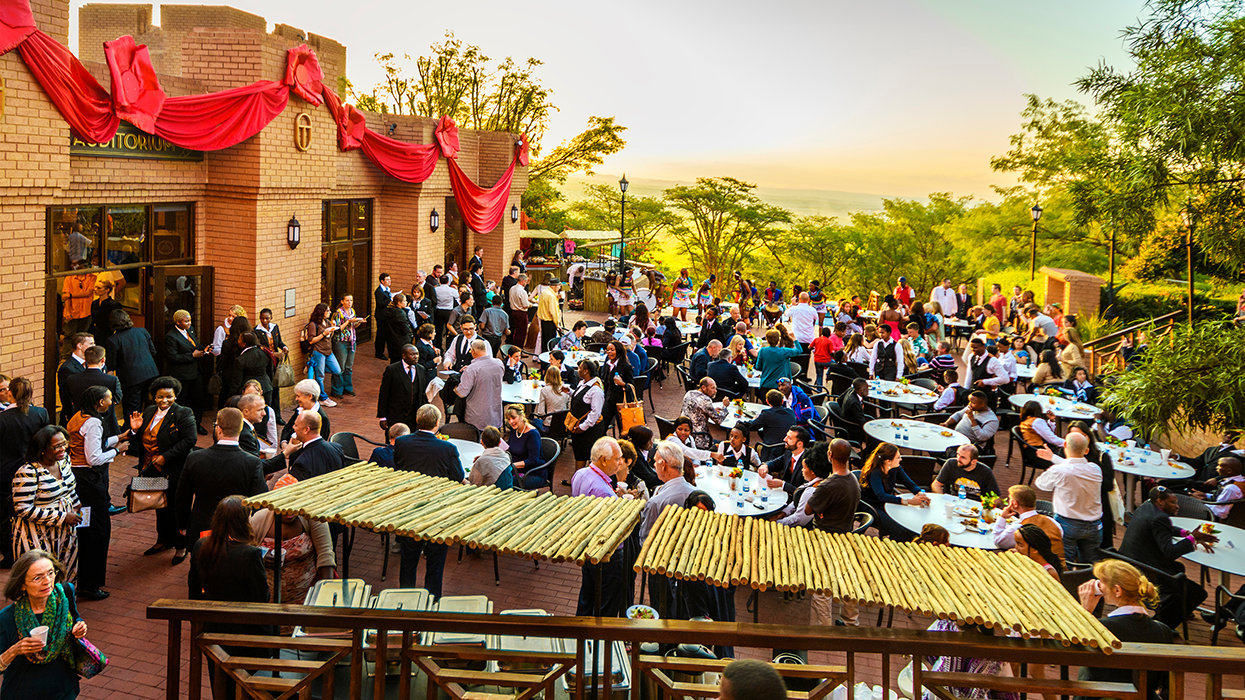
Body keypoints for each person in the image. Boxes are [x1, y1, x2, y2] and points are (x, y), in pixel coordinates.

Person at [187, 497, 272, 697]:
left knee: (220, 684)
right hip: (247, 633)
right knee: (248, 687)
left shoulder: (201, 545)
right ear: (242, 522)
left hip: (213, 630)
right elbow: (262, 597)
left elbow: (193, 588)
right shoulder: (250, 554)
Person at [1118, 486, 1216, 629]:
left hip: (1130, 561)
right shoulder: (1160, 518)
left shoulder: (1146, 506)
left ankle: (1179, 607)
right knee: (1198, 593)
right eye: (1172, 502)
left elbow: (1160, 528)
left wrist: (1185, 533)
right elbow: (1170, 552)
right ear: (1160, 501)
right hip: (1145, 570)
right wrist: (1192, 539)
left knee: (1179, 569)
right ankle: (1162, 626)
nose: (1177, 506)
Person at [1076, 560, 1173, 700]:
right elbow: (1164, 682)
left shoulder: (1102, 629)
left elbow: (1070, 647)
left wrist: (1085, 611)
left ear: (1117, 591)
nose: (1098, 585)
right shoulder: (1163, 631)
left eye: (1101, 582)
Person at [66, 386, 128, 600]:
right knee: (98, 531)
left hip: (78, 479)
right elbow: (94, 458)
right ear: (100, 402)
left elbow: (92, 443)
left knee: (85, 528)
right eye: (109, 398)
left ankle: (83, 578)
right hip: (90, 482)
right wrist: (117, 450)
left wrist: (119, 437)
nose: (112, 401)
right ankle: (90, 583)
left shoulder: (78, 417)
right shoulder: (93, 422)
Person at [126, 377, 197, 565]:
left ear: (175, 396)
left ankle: (181, 546)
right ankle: (163, 540)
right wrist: (135, 431)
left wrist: (166, 456)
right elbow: (139, 440)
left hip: (175, 469)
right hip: (151, 468)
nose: (164, 400)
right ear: (154, 397)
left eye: (168, 396)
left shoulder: (183, 413)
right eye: (160, 397)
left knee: (177, 507)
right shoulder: (149, 411)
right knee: (159, 504)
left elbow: (189, 440)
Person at [0, 550, 89, 699]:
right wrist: (15, 650)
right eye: (37, 578)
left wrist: (80, 626)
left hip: (64, 691)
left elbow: (75, 618)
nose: (47, 581)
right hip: (22, 694)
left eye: (50, 573)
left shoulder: (65, 595)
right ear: (22, 585)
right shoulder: (6, 618)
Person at [175, 408, 267, 550]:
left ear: (218, 429)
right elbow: (259, 500)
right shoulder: (252, 462)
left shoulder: (195, 458)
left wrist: (182, 524)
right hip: (236, 529)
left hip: (202, 526)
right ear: (240, 429)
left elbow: (183, 495)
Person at [249, 473, 335, 611]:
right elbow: (245, 552)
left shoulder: (313, 518)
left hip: (305, 599)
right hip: (266, 600)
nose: (289, 512)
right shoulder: (259, 519)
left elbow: (325, 555)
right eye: (284, 507)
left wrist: (324, 594)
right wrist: (260, 557)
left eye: (294, 506)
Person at [11, 427, 80, 584]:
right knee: (41, 577)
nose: (62, 449)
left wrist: (76, 504)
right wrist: (62, 517)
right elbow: (22, 508)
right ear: (42, 449)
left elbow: (69, 489)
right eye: (56, 446)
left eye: (64, 443)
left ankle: (63, 600)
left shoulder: (64, 461)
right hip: (37, 535)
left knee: (66, 573)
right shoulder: (28, 472)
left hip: (65, 533)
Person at [0, 379, 52, 567]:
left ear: (11, 394)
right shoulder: (41, 413)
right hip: (34, 471)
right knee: (35, 509)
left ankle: (10, 554)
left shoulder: (2, 418)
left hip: (7, 473)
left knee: (6, 516)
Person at [1034, 432, 1103, 565]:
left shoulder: (1059, 470)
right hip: (1094, 525)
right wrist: (1053, 458)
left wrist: (1053, 460)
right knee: (1093, 566)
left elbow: (1041, 484)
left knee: (1065, 564)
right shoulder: (1095, 469)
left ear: (1065, 445)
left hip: (1066, 523)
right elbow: (1075, 466)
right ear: (1086, 450)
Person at [859, 442, 928, 541]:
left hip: (887, 503)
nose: (901, 459)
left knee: (909, 522)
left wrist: (920, 493)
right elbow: (881, 496)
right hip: (872, 506)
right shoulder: (875, 473)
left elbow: (910, 484)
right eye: (898, 457)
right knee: (900, 529)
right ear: (888, 461)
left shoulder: (895, 468)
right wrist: (909, 501)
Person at [103, 310, 158, 416]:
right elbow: (153, 351)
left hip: (131, 378)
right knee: (151, 406)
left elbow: (112, 364)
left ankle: (132, 426)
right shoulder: (142, 331)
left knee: (132, 410)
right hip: (151, 373)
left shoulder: (113, 340)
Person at [162, 310, 208, 434]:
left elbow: (195, 345)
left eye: (190, 321)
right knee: (182, 401)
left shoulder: (190, 330)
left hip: (196, 372)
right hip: (183, 375)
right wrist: (191, 356)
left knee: (197, 400)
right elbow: (172, 357)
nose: (189, 323)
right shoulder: (171, 336)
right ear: (178, 322)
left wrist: (204, 349)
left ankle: (197, 424)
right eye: (186, 321)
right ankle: (180, 427)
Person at [993, 484, 1064, 561]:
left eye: (1010, 499)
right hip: (1060, 565)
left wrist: (1002, 517)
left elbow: (998, 541)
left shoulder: (1019, 528)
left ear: (1015, 503)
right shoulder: (1053, 521)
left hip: (1036, 566)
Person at [394, 405, 463, 482]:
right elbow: (458, 477)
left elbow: (397, 465)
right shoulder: (448, 448)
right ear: (437, 423)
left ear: (417, 420)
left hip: (406, 484)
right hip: (436, 487)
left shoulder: (401, 441)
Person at [454, 339, 504, 431]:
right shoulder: (499, 363)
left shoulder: (472, 369)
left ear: (473, 351)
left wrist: (455, 388)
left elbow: (462, 393)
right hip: (495, 415)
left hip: (477, 416)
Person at [376, 345, 428, 435]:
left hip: (414, 418)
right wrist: (382, 417)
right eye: (412, 354)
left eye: (417, 354)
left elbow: (422, 394)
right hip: (395, 416)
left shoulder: (421, 369)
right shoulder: (392, 370)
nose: (415, 357)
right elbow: (384, 394)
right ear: (404, 356)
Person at [776, 441, 828, 527]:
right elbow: (798, 500)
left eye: (804, 468)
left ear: (812, 472)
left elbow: (798, 519)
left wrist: (776, 522)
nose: (802, 470)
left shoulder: (812, 491)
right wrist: (784, 512)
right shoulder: (816, 481)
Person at [284, 411, 346, 482]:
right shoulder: (337, 448)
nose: (293, 427)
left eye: (296, 425)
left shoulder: (302, 462)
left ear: (306, 430)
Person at [568, 361, 606, 470]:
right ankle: (578, 476)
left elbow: (595, 412)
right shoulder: (582, 383)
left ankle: (580, 477)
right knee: (579, 454)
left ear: (586, 371)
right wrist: (569, 392)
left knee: (584, 455)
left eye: (580, 368)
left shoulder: (596, 390)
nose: (578, 370)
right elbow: (581, 397)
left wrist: (583, 427)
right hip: (578, 426)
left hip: (589, 430)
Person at [302, 303, 341, 406]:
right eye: (327, 311)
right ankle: (323, 398)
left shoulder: (327, 322)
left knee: (337, 370)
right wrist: (323, 334)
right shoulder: (313, 324)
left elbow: (329, 337)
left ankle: (317, 368)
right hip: (318, 351)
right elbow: (311, 340)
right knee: (320, 377)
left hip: (328, 351)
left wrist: (332, 329)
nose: (329, 312)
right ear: (321, 312)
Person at [739, 390, 797, 460]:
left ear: (767, 401)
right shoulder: (791, 412)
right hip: (789, 448)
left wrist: (754, 419)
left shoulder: (767, 413)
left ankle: (744, 456)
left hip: (771, 449)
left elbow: (752, 426)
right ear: (782, 401)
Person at [329, 295, 365, 399]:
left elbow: (353, 327)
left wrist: (358, 322)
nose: (349, 302)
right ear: (342, 301)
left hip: (351, 341)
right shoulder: (338, 313)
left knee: (348, 366)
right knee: (340, 366)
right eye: (347, 300)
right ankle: (337, 390)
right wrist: (348, 321)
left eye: (351, 300)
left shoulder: (352, 311)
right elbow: (337, 329)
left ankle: (347, 388)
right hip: (341, 341)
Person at [932, 444, 1000, 498]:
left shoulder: (986, 472)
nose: (958, 459)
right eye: (958, 454)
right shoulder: (951, 463)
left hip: (975, 506)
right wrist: (942, 498)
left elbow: (996, 498)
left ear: (973, 461)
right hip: (954, 502)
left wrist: (987, 505)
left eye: (963, 457)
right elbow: (936, 484)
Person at [279, 379, 331, 446]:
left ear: (310, 396)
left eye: (298, 396)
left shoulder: (322, 418)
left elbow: (320, 444)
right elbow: (288, 428)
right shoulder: (299, 409)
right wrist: (284, 443)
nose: (296, 399)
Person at [680, 377, 728, 448]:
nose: (715, 391)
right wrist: (725, 407)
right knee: (724, 446)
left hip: (683, 434)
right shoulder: (706, 400)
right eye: (712, 388)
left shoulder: (689, 393)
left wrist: (712, 410)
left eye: (715, 388)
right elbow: (719, 420)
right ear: (703, 387)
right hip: (698, 439)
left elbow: (696, 408)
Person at [503, 406, 543, 488]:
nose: (511, 421)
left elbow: (533, 460)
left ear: (521, 416)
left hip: (532, 472)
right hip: (516, 468)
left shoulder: (532, 434)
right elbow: (509, 449)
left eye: (513, 418)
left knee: (504, 480)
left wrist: (512, 466)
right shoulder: (514, 429)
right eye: (509, 419)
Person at [380, 293, 415, 362]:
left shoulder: (389, 311)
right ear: (399, 303)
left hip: (391, 340)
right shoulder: (400, 313)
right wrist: (410, 334)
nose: (406, 302)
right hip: (401, 341)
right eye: (404, 301)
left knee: (393, 361)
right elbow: (405, 329)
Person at [537, 278, 563, 352]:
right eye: (559, 286)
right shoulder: (551, 296)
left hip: (543, 321)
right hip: (550, 322)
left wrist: (556, 297)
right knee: (550, 344)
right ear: (554, 286)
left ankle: (543, 357)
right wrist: (557, 324)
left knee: (544, 342)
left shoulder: (545, 292)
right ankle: (549, 357)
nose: (559, 288)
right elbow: (553, 312)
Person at [374, 273, 394, 360]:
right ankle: (379, 353)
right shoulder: (379, 291)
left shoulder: (387, 289)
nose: (389, 281)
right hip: (381, 316)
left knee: (387, 335)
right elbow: (380, 304)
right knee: (381, 335)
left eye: (390, 279)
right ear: (382, 281)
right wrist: (390, 299)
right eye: (387, 280)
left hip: (387, 316)